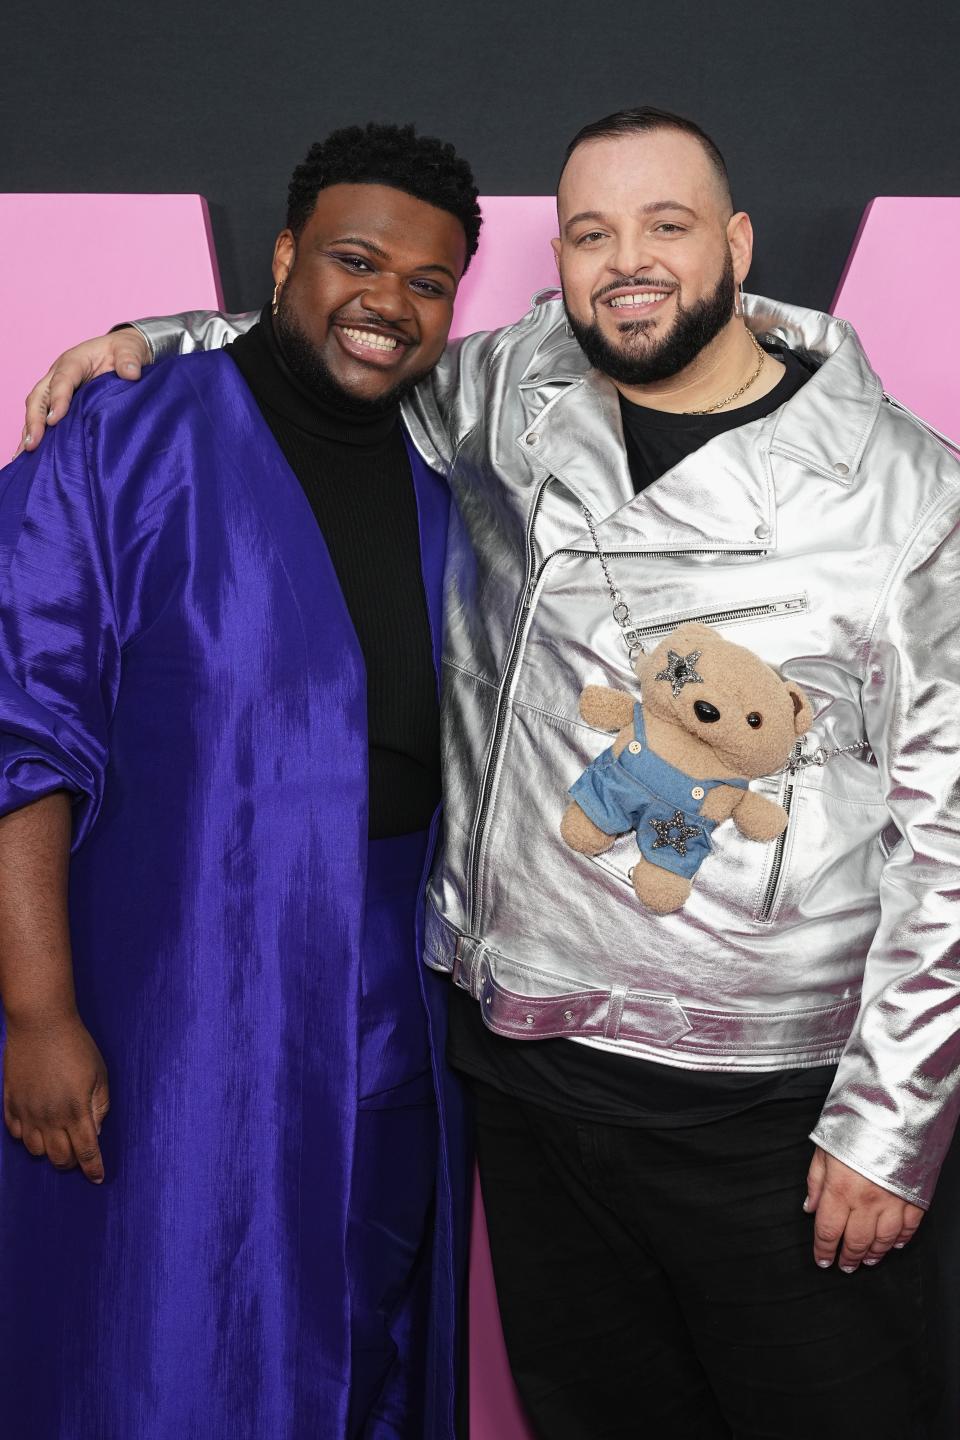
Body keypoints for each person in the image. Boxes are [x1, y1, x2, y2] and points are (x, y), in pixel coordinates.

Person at [20, 107, 960, 1438]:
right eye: (590, 233)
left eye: (667, 226)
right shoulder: (512, 392)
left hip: (769, 1108)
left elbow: (950, 837)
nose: (627, 261)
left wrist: (888, 1124)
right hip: (529, 1089)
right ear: (558, 262)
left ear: (740, 244)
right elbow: (326, 351)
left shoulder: (909, 491)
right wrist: (149, 345)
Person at [0, 122, 482, 1440]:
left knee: (361, 1330)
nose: (388, 302)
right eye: (355, 261)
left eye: (428, 283)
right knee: (159, 1333)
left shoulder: (452, 475)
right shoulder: (122, 438)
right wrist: (39, 1009)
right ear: (284, 257)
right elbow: (17, 730)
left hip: (393, 994)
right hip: (171, 991)